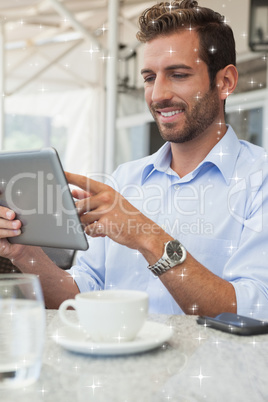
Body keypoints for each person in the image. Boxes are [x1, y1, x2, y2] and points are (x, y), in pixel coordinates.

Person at [0, 0, 268, 318]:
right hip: (115, 368)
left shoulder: (259, 180)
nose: (157, 95)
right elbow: (79, 297)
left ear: (225, 82)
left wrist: (146, 235)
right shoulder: (124, 180)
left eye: (178, 75)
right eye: (149, 78)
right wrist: (23, 251)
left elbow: (253, 312)